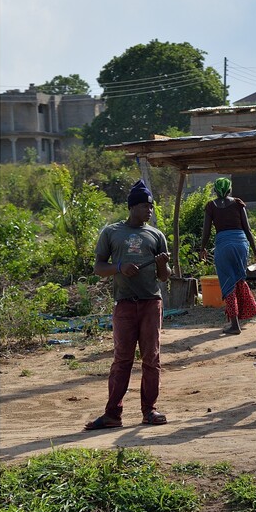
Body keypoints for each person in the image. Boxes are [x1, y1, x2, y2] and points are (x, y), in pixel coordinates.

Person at [84, 179, 171, 430]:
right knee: (122, 359)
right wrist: (119, 267)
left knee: (151, 358)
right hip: (124, 304)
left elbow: (164, 277)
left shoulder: (156, 235)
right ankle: (113, 414)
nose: (150, 211)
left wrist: (161, 264)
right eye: (145, 206)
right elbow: (98, 267)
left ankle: (149, 411)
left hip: (150, 303)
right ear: (132, 207)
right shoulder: (112, 232)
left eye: (151, 207)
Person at [200, 177, 256, 335]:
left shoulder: (210, 206)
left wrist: (202, 249)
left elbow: (206, 232)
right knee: (239, 280)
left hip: (223, 245)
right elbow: (248, 230)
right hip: (241, 244)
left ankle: (235, 324)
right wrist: (255, 251)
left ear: (215, 190)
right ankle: (245, 313)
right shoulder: (238, 204)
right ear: (229, 190)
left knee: (228, 284)